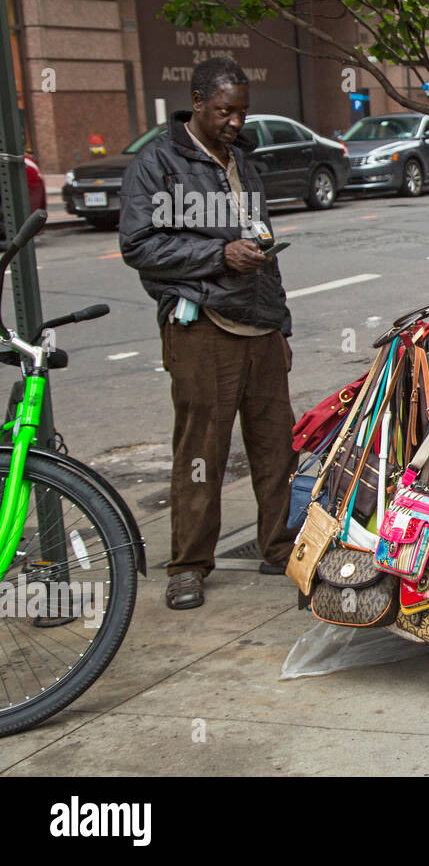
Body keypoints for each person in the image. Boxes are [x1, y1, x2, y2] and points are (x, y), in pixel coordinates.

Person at [119, 56, 297, 611]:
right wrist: (218, 255)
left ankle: (279, 547)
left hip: (259, 325)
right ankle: (189, 564)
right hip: (203, 328)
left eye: (242, 111)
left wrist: (281, 324)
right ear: (197, 102)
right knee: (202, 452)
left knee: (275, 448)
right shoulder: (158, 164)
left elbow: (264, 248)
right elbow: (139, 246)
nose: (235, 122)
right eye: (225, 110)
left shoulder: (243, 163)